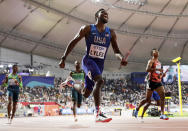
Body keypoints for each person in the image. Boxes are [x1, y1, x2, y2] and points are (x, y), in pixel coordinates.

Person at [59, 8, 127, 122]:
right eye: (103, 13)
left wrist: (121, 58)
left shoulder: (111, 32)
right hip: (88, 61)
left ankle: (71, 83)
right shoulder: (88, 28)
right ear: (97, 16)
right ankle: (98, 113)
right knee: (100, 81)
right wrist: (63, 58)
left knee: (85, 94)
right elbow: (73, 42)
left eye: (107, 14)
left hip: (99, 65)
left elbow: (116, 50)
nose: (106, 14)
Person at [133, 48, 169, 120]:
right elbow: (147, 69)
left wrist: (162, 75)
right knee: (147, 100)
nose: (157, 52)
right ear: (153, 54)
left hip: (158, 82)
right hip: (151, 82)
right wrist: (157, 70)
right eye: (155, 51)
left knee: (163, 96)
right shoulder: (151, 61)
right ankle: (137, 109)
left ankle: (162, 114)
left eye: (157, 51)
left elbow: (158, 74)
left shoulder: (159, 63)